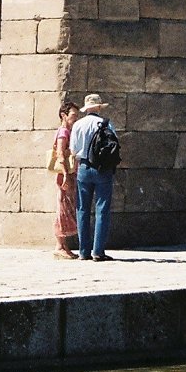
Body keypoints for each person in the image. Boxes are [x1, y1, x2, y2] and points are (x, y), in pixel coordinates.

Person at [69, 93, 116, 261]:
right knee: (102, 209)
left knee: (82, 209)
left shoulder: (78, 125)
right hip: (103, 170)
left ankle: (84, 251)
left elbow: (73, 150)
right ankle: (98, 251)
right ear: (98, 107)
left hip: (84, 168)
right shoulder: (106, 124)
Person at [52, 99, 80, 259]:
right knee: (63, 209)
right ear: (64, 115)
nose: (75, 119)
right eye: (73, 115)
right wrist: (66, 176)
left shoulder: (68, 131)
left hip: (67, 174)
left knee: (66, 208)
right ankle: (60, 245)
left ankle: (63, 245)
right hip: (65, 175)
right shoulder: (64, 132)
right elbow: (61, 155)